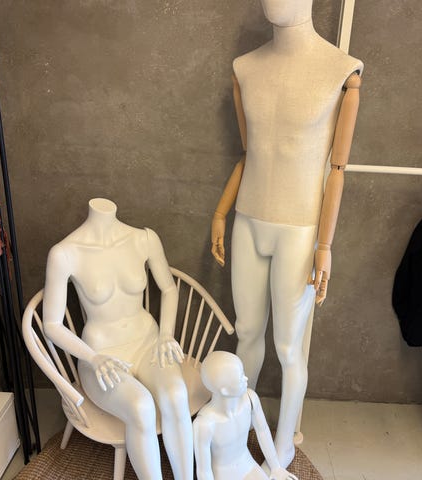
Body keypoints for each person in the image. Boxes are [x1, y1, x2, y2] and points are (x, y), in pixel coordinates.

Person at [211, 0, 363, 467]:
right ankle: (238, 426)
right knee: (247, 332)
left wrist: (325, 245)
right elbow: (250, 153)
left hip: (300, 229)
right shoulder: (244, 68)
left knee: (287, 346)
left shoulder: (342, 71)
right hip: (247, 220)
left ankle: (281, 447)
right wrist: (220, 213)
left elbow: (337, 169)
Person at [43, 198, 193, 480]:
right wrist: (92, 357)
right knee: (141, 407)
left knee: (176, 395)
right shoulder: (65, 253)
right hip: (102, 356)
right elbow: (51, 324)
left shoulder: (143, 239)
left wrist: (166, 334)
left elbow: (169, 289)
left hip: (148, 342)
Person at [193, 351, 298, 480]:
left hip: (247, 464)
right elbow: (204, 471)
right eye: (240, 377)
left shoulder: (250, 399)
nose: (246, 378)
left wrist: (276, 467)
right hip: (223, 474)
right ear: (224, 390)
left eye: (243, 373)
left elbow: (263, 431)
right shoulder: (204, 424)